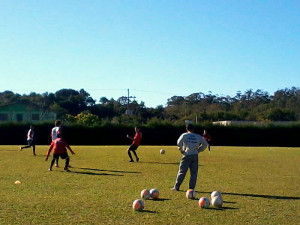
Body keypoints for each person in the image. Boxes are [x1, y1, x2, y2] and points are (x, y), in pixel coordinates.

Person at [172, 124, 208, 191]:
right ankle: (191, 189)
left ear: (186, 129)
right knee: (194, 173)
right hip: (195, 155)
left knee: (182, 172)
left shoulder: (184, 135)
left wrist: (181, 149)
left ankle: (176, 187)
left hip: (186, 155)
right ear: (193, 129)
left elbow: (178, 142)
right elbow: (205, 144)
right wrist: (199, 149)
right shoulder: (198, 136)